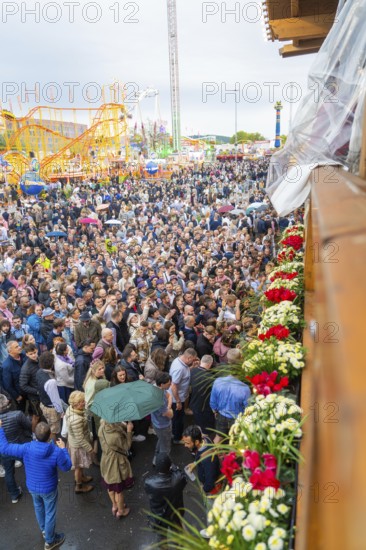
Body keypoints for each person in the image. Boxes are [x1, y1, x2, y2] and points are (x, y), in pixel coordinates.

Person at [0, 420, 71, 550]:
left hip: (32, 487)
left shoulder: (26, 448)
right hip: (49, 489)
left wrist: (0, 429)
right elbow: (67, 467)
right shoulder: (56, 451)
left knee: (38, 507)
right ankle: (50, 541)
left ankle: (44, 530)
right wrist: (64, 449)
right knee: (50, 512)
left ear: (35, 435)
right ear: (50, 436)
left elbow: (4, 448)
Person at [182, 425, 221, 538]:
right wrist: (195, 463)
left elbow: (210, 482)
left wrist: (204, 490)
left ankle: (212, 532)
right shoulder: (206, 440)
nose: (185, 445)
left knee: (212, 511)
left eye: (188, 443)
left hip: (212, 491)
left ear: (197, 441)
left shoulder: (208, 460)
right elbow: (200, 456)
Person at [98, 419, 134, 518]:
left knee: (110, 486)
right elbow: (127, 446)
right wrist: (129, 431)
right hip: (115, 463)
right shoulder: (115, 436)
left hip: (105, 460)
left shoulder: (101, 428)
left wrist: (121, 424)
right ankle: (121, 511)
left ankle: (114, 505)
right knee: (119, 489)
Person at [0, 394, 32, 503]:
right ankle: (34, 488)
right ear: (7, 402)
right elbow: (29, 426)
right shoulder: (17, 414)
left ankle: (14, 495)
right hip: (20, 447)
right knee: (30, 467)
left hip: (4, 450)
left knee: (8, 472)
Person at [144, 453, 187, 530]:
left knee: (161, 536)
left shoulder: (149, 482)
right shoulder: (178, 479)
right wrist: (175, 468)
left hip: (159, 517)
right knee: (177, 533)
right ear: (169, 465)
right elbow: (183, 478)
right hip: (175, 514)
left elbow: (148, 492)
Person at [64, 391, 94, 494]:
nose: (84, 402)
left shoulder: (72, 409)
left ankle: (82, 477)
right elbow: (80, 438)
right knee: (78, 467)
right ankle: (79, 486)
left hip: (74, 443)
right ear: (76, 404)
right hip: (78, 446)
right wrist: (90, 448)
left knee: (79, 466)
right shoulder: (76, 419)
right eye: (82, 402)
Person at [210, 372, 251, 444]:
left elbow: (213, 401)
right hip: (237, 418)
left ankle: (214, 454)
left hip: (221, 414)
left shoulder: (218, 381)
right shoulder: (245, 388)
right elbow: (247, 407)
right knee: (234, 440)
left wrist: (215, 411)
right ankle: (231, 455)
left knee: (218, 437)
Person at [168, 348, 198, 444]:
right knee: (178, 419)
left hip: (179, 396)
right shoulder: (179, 368)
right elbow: (174, 386)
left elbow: (185, 372)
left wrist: (192, 367)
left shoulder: (180, 361)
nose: (193, 361)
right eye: (193, 360)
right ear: (189, 358)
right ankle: (177, 438)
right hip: (177, 398)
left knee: (177, 418)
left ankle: (174, 433)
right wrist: (178, 401)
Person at [36, 351, 64, 442]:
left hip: (43, 404)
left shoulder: (39, 371)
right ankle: (54, 445)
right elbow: (55, 399)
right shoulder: (51, 382)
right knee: (54, 430)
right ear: (52, 363)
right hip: (51, 408)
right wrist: (61, 411)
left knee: (50, 425)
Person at [189, 355, 216, 436]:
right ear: (209, 364)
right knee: (206, 430)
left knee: (198, 425)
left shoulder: (192, 371)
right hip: (205, 408)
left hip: (194, 403)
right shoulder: (210, 378)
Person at [151, 372, 173, 467]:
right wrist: (170, 409)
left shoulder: (155, 388)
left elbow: (169, 396)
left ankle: (156, 458)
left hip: (156, 423)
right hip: (163, 425)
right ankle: (164, 465)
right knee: (166, 447)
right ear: (162, 384)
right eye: (168, 383)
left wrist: (168, 406)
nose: (170, 384)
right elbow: (170, 415)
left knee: (161, 440)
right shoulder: (159, 399)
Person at [19, 343, 41, 431]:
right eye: (31, 354)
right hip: (34, 397)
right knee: (36, 416)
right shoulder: (26, 368)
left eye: (35, 352)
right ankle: (33, 434)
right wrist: (37, 391)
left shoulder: (39, 360)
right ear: (27, 354)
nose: (34, 355)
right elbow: (23, 385)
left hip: (40, 393)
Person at [2, 340, 26, 411]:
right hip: (19, 393)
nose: (19, 347)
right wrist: (16, 396)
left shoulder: (24, 356)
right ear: (10, 351)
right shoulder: (7, 366)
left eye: (18, 345)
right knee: (22, 410)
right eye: (16, 347)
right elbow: (7, 385)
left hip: (28, 389)